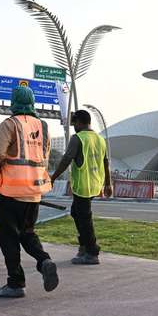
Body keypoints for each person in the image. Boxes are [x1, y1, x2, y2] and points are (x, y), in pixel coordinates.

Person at [0, 85, 59, 298]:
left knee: (8, 238)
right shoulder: (43, 126)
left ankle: (15, 283)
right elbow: (44, 156)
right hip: (34, 190)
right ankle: (44, 260)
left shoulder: (10, 124)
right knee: (27, 233)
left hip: (11, 190)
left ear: (13, 103)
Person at [49, 109, 112, 265]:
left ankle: (91, 251)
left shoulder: (78, 138)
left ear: (79, 122)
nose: (74, 126)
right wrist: (108, 183)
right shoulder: (100, 139)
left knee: (84, 218)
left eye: (74, 123)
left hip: (83, 185)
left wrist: (53, 177)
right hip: (95, 183)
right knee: (76, 212)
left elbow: (66, 159)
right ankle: (84, 245)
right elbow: (105, 162)